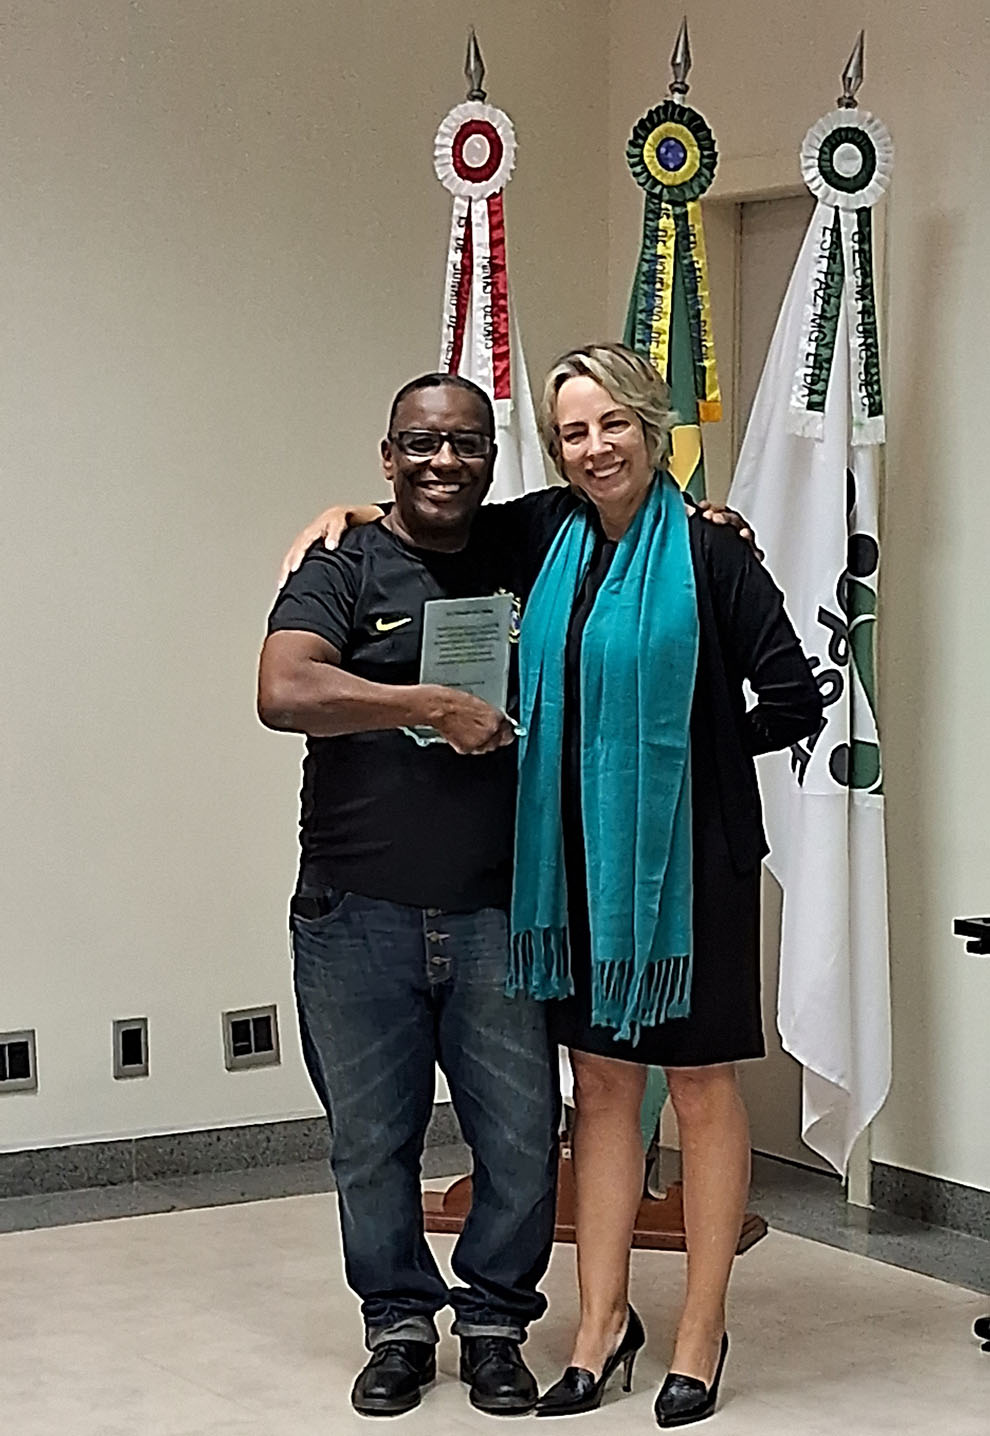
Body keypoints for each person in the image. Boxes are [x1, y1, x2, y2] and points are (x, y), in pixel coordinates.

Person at [286, 345, 821, 1428]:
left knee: (698, 1089)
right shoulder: (547, 538)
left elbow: (792, 699)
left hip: (692, 869)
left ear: (650, 427)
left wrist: (686, 770)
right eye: (574, 431)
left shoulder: (710, 553)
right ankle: (598, 1323)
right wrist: (349, 510)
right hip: (576, 866)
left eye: (613, 424)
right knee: (602, 1089)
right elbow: (428, 515)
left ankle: (699, 1331)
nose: (595, 447)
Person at [258, 373, 559, 1418]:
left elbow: (631, 493)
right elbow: (283, 689)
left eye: (467, 444)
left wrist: (718, 520)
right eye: (421, 444)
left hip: (499, 911)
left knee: (519, 1139)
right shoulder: (340, 563)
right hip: (354, 911)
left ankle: (495, 1327)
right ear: (387, 456)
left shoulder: (526, 542)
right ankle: (396, 1325)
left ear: (491, 458)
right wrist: (427, 703)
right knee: (370, 1143)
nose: (445, 461)